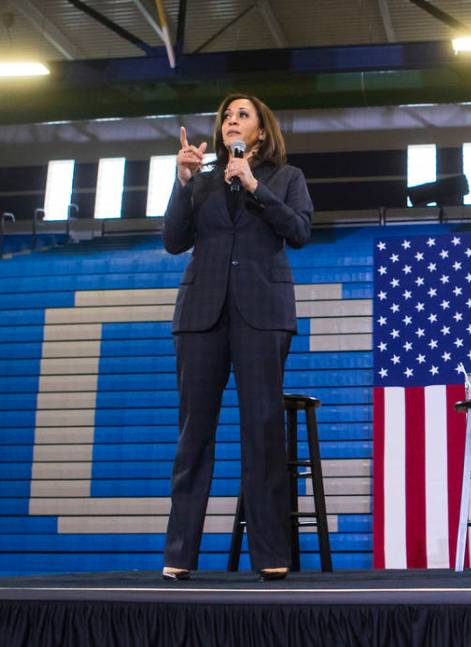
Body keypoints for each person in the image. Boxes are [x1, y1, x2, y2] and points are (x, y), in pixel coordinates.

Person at [160, 93, 313, 582]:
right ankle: (180, 556)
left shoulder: (286, 178)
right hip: (202, 315)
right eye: (227, 116)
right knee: (194, 436)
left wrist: (252, 185)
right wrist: (182, 183)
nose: (231, 121)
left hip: (261, 315)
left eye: (242, 116)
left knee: (262, 432)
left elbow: (300, 231)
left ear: (260, 132)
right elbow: (172, 240)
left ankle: (270, 554)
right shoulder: (200, 182)